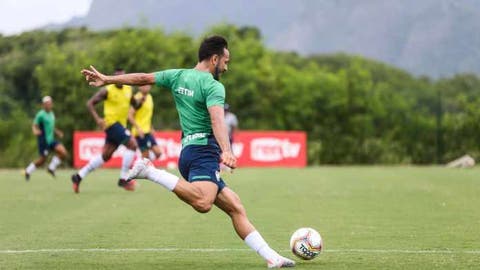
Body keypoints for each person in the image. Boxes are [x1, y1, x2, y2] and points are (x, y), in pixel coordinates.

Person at [81, 36, 295, 268]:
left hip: (189, 153)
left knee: (235, 207)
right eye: (225, 61)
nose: (226, 66)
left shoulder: (178, 75)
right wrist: (227, 151)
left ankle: (272, 257)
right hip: (203, 152)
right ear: (214, 59)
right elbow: (217, 119)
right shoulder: (213, 85)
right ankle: (151, 172)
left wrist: (107, 79)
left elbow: (142, 78)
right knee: (203, 202)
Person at [71, 68, 138, 193]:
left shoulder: (129, 90)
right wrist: (97, 119)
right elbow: (90, 103)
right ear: (114, 78)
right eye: (117, 77)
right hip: (111, 124)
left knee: (105, 156)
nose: (120, 80)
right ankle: (123, 179)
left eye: (122, 77)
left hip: (120, 126)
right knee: (132, 145)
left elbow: (135, 104)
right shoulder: (107, 90)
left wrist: (140, 102)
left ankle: (78, 176)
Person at [24, 96, 68, 180]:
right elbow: (34, 125)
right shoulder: (40, 114)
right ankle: (28, 171)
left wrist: (57, 132)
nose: (49, 105)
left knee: (63, 152)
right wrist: (35, 131)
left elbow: (51, 126)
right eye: (47, 104)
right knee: (42, 160)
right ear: (43, 105)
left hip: (51, 139)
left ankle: (51, 168)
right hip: (43, 140)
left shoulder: (52, 114)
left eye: (50, 103)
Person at [128, 84, 162, 160]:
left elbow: (147, 115)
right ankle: (136, 170)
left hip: (148, 131)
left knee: (158, 153)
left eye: (147, 85)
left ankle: (143, 166)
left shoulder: (150, 97)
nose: (146, 87)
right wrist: (138, 128)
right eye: (143, 85)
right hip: (140, 132)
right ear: (139, 87)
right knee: (145, 157)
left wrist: (151, 127)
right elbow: (130, 116)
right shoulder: (137, 98)